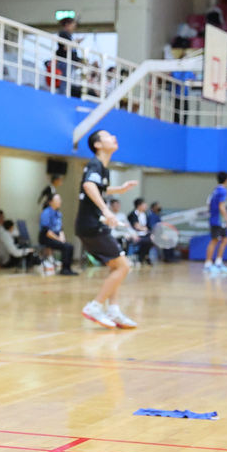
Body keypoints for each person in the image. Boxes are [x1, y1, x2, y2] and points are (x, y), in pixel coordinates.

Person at [76, 129, 140, 328]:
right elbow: (88, 186)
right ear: (98, 145)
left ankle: (113, 310)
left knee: (116, 267)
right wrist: (106, 210)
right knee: (124, 266)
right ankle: (95, 306)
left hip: (90, 225)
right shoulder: (95, 164)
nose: (114, 137)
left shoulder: (102, 169)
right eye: (108, 136)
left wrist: (120, 189)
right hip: (92, 225)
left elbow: (99, 188)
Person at [38, 193, 76, 276]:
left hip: (55, 236)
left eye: (60, 199)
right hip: (46, 237)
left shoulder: (58, 213)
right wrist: (59, 239)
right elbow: (46, 231)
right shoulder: (46, 212)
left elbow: (60, 229)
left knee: (70, 246)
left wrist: (62, 238)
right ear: (51, 202)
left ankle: (68, 268)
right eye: (57, 199)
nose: (60, 201)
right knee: (66, 247)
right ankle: (64, 270)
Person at [205, 171, 227, 275]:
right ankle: (208, 264)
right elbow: (222, 207)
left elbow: (208, 203)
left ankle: (218, 262)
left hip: (216, 219)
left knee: (225, 240)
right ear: (226, 180)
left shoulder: (215, 190)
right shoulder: (223, 191)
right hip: (217, 220)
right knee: (214, 240)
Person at [54, 15, 82, 97]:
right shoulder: (63, 33)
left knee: (67, 83)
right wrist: (75, 42)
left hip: (69, 63)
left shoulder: (69, 36)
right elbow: (65, 47)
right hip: (64, 63)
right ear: (67, 25)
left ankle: (64, 95)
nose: (74, 27)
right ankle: (62, 97)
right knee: (64, 83)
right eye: (73, 25)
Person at [127, 198, 153, 265]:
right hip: (134, 235)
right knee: (146, 241)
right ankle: (140, 257)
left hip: (144, 234)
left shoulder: (145, 214)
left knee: (152, 239)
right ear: (139, 206)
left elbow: (147, 227)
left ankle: (144, 256)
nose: (146, 206)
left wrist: (149, 232)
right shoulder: (133, 214)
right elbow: (136, 226)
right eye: (144, 204)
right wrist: (143, 228)